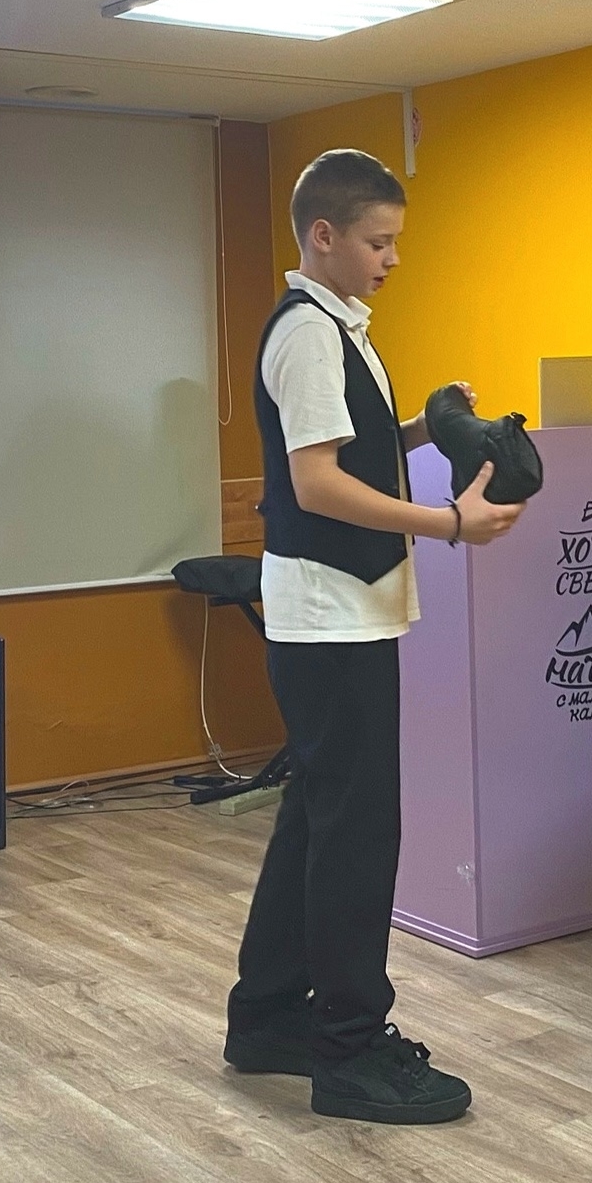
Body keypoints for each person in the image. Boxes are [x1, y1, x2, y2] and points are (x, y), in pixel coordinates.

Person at [225, 149, 523, 1124]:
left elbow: (346, 452)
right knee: (357, 831)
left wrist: (426, 429)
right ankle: (349, 1050)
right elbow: (315, 484)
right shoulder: (309, 334)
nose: (392, 258)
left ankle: (268, 1016)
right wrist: (450, 523)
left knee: (319, 815)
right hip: (328, 615)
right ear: (324, 236)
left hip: (336, 610)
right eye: (378, 241)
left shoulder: (337, 329)